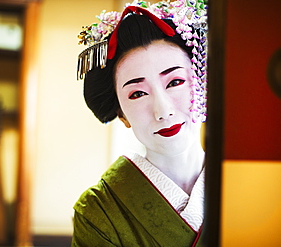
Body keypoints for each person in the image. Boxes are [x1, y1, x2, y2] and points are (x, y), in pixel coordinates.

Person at [72, 1, 207, 246]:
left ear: (202, 84)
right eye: (137, 94)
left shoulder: (245, 183)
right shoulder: (98, 211)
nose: (163, 111)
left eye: (175, 82)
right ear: (121, 113)